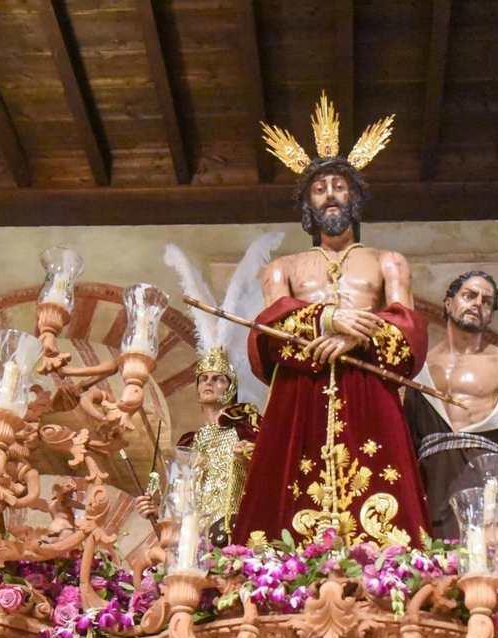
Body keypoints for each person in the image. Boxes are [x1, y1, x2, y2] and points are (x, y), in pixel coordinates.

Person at [232, 93, 429, 548]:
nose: (331, 195)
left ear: (356, 197)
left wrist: (352, 338)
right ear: (307, 203)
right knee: (283, 506)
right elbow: (268, 330)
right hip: (301, 388)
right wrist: (325, 319)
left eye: (340, 187)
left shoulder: (388, 261)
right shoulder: (283, 268)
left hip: (369, 384)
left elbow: (409, 327)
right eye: (320, 189)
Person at [141, 235, 281, 543]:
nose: (209, 384)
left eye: (218, 379)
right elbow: (177, 491)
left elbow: (272, 462)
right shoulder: (188, 442)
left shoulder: (247, 428)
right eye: (204, 379)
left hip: (238, 530)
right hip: (195, 537)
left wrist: (248, 454)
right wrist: (157, 505)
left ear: (231, 387)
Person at [405, 269, 498, 545]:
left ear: (490, 315)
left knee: (489, 564)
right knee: (434, 563)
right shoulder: (420, 367)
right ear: (449, 302)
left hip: (486, 475)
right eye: (469, 295)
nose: (478, 304)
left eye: (487, 302)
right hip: (433, 478)